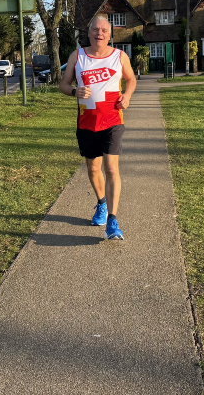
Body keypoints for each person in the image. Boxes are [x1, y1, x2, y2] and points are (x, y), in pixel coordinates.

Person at [59, 15, 137, 240]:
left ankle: (113, 221)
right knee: (93, 169)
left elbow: (130, 80)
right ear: (89, 32)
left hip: (113, 120)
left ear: (110, 34)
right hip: (87, 122)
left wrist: (128, 95)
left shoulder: (119, 57)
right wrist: (74, 91)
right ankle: (101, 204)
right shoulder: (78, 56)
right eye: (95, 29)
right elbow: (63, 84)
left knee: (111, 168)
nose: (99, 33)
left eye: (104, 30)